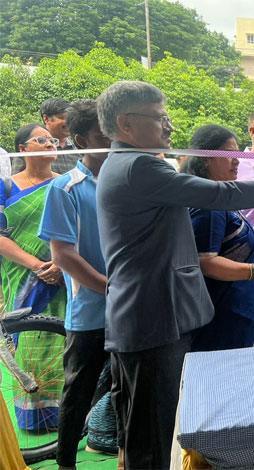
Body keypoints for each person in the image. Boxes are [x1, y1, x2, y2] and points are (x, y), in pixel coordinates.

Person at [95, 81, 254, 469]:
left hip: (155, 317)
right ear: (125, 124)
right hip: (152, 319)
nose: (168, 127)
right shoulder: (139, 167)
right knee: (151, 436)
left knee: (154, 430)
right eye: (159, 118)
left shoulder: (131, 165)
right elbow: (222, 196)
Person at [36, 99, 118, 468]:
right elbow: (64, 255)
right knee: (78, 393)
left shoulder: (128, 183)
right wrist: (110, 288)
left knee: (126, 389)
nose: (112, 141)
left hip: (130, 308)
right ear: (83, 139)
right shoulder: (66, 188)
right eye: (104, 134)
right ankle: (66, 462)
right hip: (91, 311)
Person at [180, 125, 254, 351]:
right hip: (225, 310)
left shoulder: (221, 198)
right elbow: (206, 262)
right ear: (205, 160)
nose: (237, 160)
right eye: (229, 154)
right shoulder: (208, 206)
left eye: (238, 153)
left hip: (240, 303)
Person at [0, 123, 66, 431]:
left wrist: (61, 263)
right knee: (28, 343)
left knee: (61, 342)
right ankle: (35, 418)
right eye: (42, 140)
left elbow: (76, 228)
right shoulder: (7, 187)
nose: (51, 143)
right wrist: (38, 265)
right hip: (24, 274)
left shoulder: (65, 183)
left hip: (64, 274)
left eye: (53, 140)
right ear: (23, 149)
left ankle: (66, 416)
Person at [13, 98, 78, 175]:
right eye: (62, 117)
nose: (68, 122)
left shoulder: (79, 150)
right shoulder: (31, 149)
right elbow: (16, 182)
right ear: (46, 119)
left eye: (71, 118)